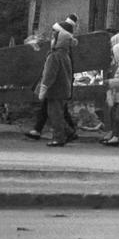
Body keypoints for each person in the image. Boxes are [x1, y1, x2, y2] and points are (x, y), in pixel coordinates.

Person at [36, 16, 76, 146]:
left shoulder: (54, 56)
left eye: (54, 37)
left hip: (55, 90)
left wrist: (43, 88)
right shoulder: (65, 55)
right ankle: (68, 132)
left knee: (55, 114)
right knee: (57, 113)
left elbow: (49, 75)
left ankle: (59, 138)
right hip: (64, 89)